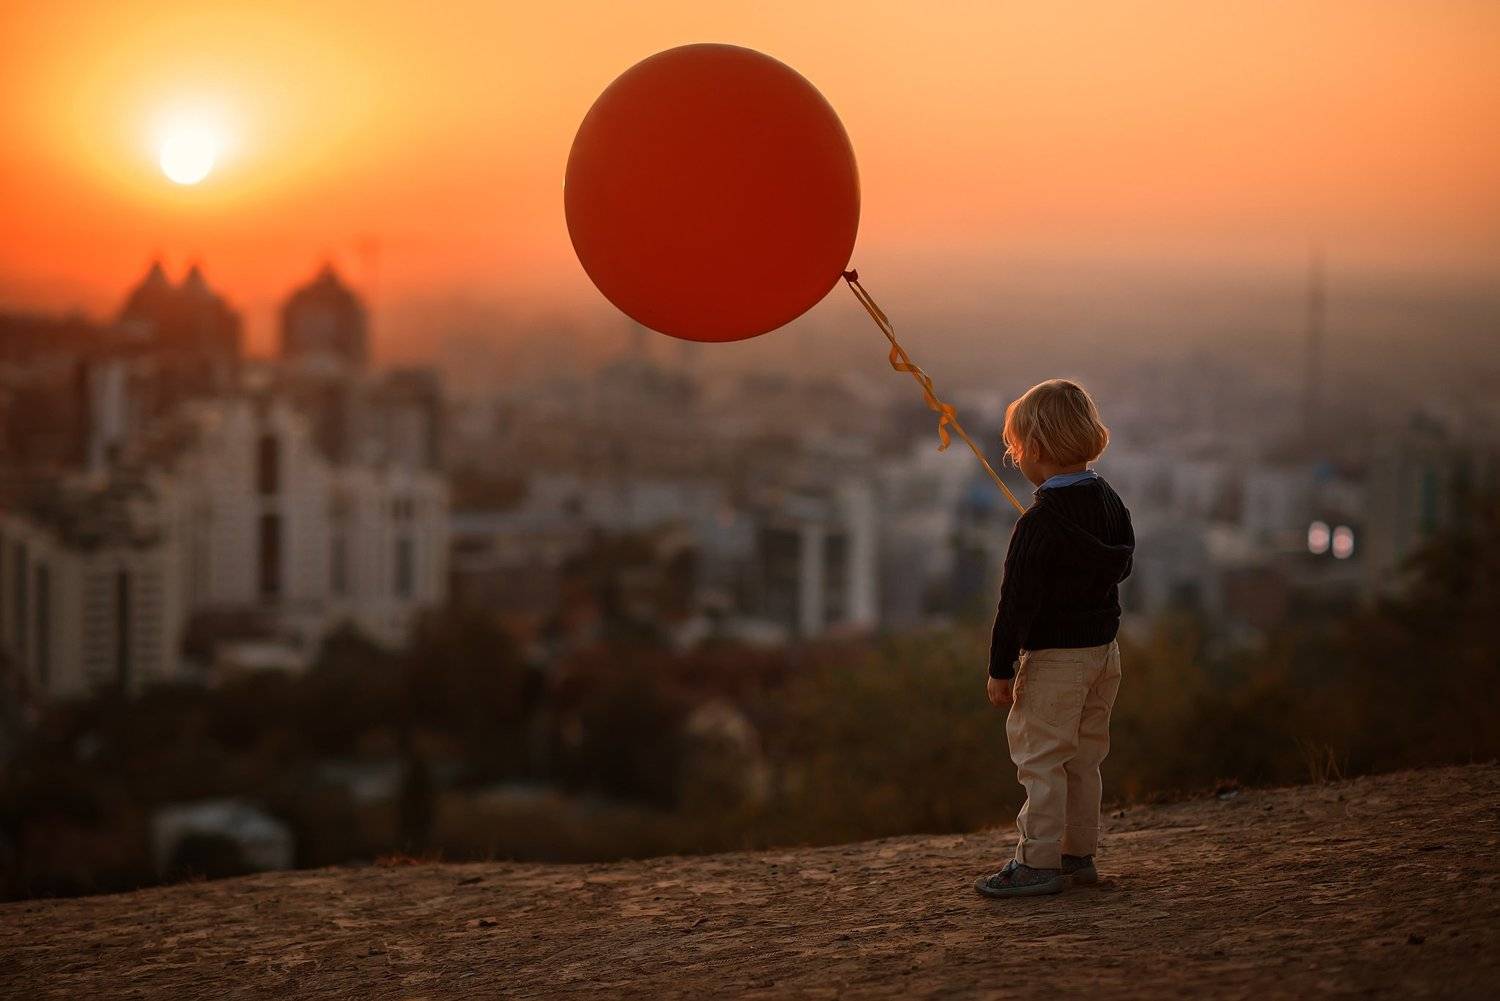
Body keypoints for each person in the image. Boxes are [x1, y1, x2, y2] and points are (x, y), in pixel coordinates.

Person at [974, 379, 1135, 899]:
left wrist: (1000, 671)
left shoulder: (1038, 525)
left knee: (1041, 761)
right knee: (1084, 760)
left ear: (1035, 450)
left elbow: (1015, 607)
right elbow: (1123, 562)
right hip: (1103, 655)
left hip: (1054, 661)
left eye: (1016, 448)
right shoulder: (1109, 500)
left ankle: (1035, 862)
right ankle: (1077, 856)